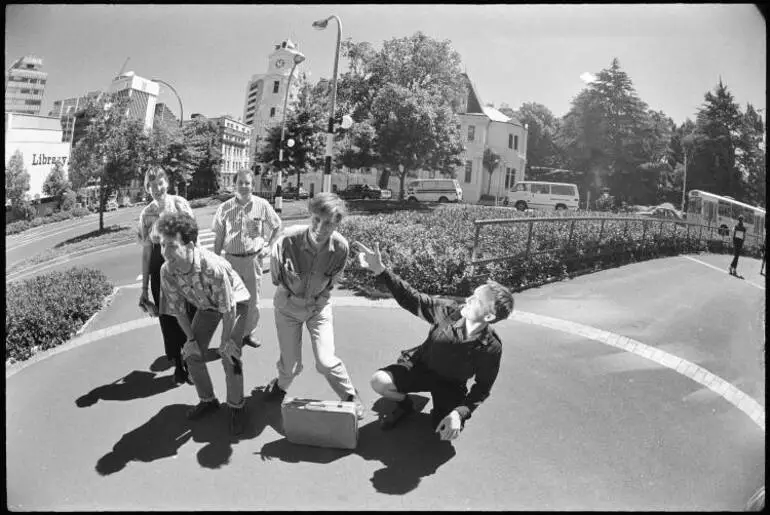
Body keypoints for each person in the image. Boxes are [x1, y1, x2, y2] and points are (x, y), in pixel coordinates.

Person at [354, 241, 514, 442]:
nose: (468, 300)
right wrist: (381, 271)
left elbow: (482, 387)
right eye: (473, 295)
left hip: (451, 384)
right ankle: (406, 404)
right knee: (379, 382)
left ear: (489, 317)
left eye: (477, 301)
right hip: (421, 367)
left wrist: (459, 413)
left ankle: (443, 411)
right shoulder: (448, 311)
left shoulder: (491, 347)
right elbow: (413, 299)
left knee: (445, 433)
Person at [261, 192, 365, 419]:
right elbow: (277, 278)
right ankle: (280, 385)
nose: (320, 227)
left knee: (326, 362)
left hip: (319, 306)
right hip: (288, 306)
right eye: (316, 219)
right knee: (291, 365)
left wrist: (317, 302)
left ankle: (350, 395)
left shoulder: (340, 247)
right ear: (311, 216)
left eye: (328, 223)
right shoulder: (288, 239)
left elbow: (331, 283)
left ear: (338, 223)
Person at [157, 211, 251, 435]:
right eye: (162, 245)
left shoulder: (213, 268)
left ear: (189, 246)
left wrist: (226, 341)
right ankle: (208, 400)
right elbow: (179, 311)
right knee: (190, 353)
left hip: (235, 303)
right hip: (206, 306)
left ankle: (237, 406)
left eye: (171, 245)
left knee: (231, 355)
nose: (165, 252)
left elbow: (229, 309)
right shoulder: (167, 272)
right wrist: (190, 340)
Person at [136, 167, 196, 384]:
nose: (157, 188)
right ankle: (179, 365)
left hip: (182, 263)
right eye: (152, 185)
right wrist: (144, 289)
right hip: (159, 268)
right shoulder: (146, 214)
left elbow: (192, 238)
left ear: (167, 182)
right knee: (167, 319)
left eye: (160, 182)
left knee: (188, 314)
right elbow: (146, 252)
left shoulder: (180, 204)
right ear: (147, 188)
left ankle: (191, 359)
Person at [212, 169, 282, 349]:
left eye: (247, 183)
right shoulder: (225, 208)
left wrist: (269, 246)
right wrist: (216, 260)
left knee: (252, 300)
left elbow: (276, 226)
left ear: (252, 185)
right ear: (235, 184)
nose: (244, 186)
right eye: (240, 182)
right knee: (230, 300)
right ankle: (230, 335)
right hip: (231, 261)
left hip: (253, 260)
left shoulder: (262, 205)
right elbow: (219, 237)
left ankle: (248, 333)